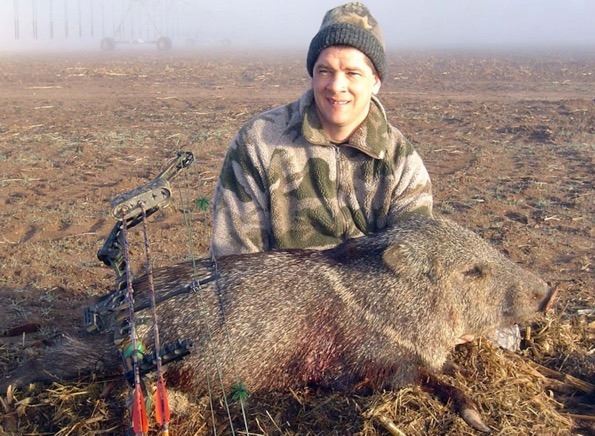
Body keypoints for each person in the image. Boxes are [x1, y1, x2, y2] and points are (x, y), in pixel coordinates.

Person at [210, 2, 432, 258]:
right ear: (312, 75)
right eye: (325, 71)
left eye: (352, 73)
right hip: (274, 284)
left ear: (376, 81)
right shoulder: (258, 143)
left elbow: (415, 262)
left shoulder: (401, 162)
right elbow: (233, 259)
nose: (336, 86)